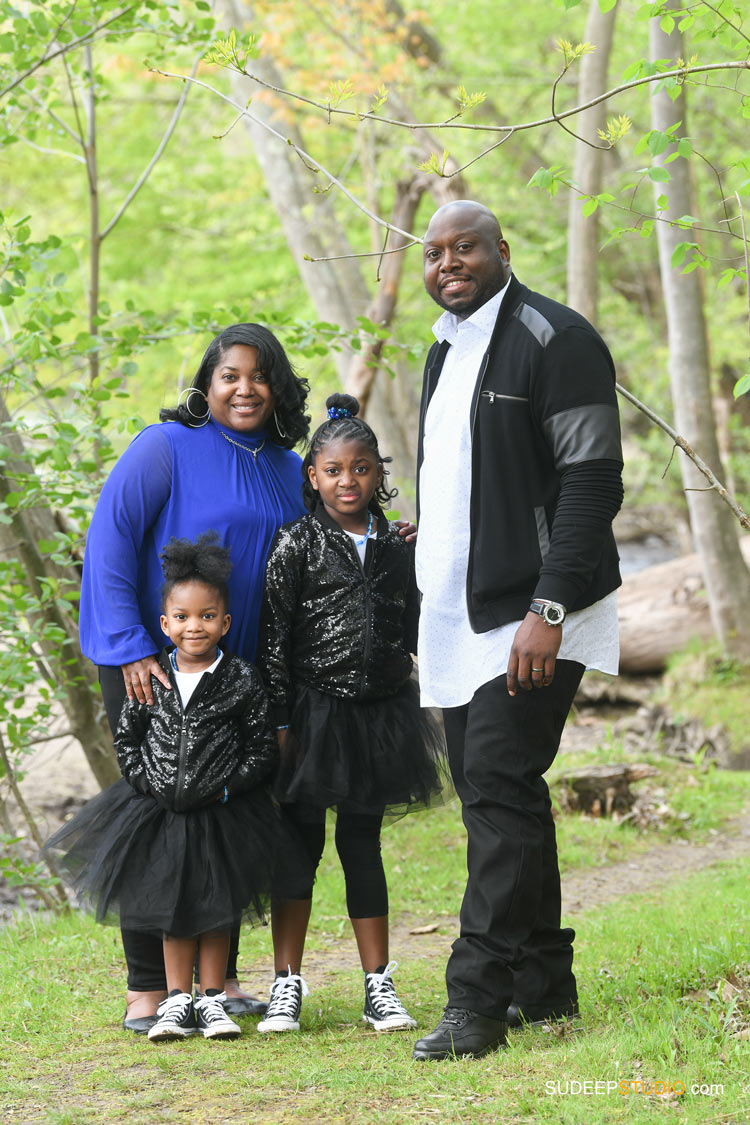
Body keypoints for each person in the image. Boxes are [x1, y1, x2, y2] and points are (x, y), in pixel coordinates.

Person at [411, 200, 624, 1061]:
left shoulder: (556, 337)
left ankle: (478, 1003)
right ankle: (544, 983)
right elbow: (464, 481)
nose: (448, 262)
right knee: (496, 792)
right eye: (434, 252)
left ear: (503, 248)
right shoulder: (443, 346)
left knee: (497, 787)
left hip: (536, 611)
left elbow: (592, 479)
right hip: (459, 610)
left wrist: (549, 608)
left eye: (464, 247)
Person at [78, 323, 310, 1032]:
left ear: (278, 388)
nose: (244, 388)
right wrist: (128, 646)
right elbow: (110, 542)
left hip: (235, 672)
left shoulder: (288, 466)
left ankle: (219, 981)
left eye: (258, 375)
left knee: (227, 808)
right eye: (229, 375)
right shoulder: (165, 448)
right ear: (206, 385)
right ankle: (148, 985)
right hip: (153, 659)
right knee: (160, 813)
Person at [255, 393, 445, 1035]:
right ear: (313, 475)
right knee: (299, 843)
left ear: (378, 474)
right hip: (312, 716)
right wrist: (279, 721)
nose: (347, 481)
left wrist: (419, 553)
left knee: (363, 844)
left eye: (361, 469)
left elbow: (415, 624)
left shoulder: (396, 544)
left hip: (381, 716)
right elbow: (274, 637)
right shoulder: (296, 544)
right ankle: (286, 984)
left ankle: (378, 986)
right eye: (333, 470)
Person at [47, 533, 280, 1042]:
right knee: (172, 906)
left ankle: (213, 999)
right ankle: (176, 1002)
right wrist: (145, 781)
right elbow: (127, 737)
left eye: (206, 616)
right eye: (182, 617)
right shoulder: (152, 678)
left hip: (222, 813)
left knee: (217, 905)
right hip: (161, 814)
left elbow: (261, 746)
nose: (193, 626)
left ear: (225, 622)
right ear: (165, 623)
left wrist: (227, 788)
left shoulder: (240, 679)